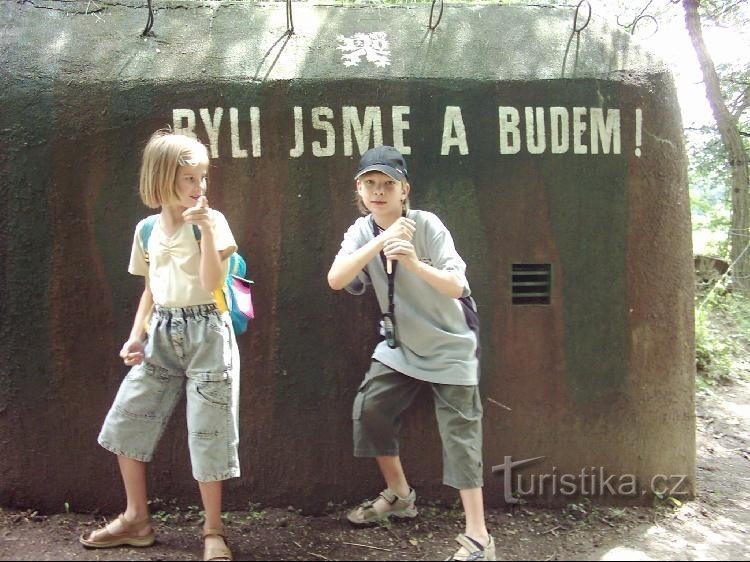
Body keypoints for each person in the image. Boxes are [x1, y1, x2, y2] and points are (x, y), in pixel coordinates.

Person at [327, 145, 495, 561]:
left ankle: (479, 537)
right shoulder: (360, 231)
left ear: (405, 190)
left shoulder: (427, 224)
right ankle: (400, 495)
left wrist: (415, 263)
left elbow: (458, 286)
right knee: (371, 410)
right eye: (370, 183)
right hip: (400, 345)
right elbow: (336, 279)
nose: (378, 191)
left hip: (451, 343)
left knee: (460, 436)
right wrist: (381, 240)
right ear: (359, 190)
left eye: (388, 184)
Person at [79, 130, 240, 562]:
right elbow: (151, 289)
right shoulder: (146, 229)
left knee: (209, 432)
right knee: (126, 422)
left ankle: (213, 530)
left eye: (202, 177)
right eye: (189, 178)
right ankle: (136, 519)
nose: (199, 186)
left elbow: (213, 283)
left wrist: (205, 229)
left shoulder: (213, 222)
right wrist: (137, 334)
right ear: (162, 179)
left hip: (208, 331)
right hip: (162, 332)